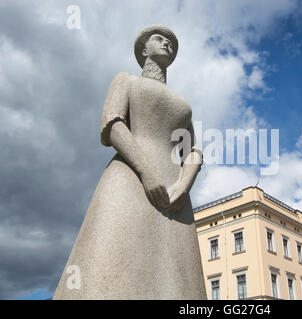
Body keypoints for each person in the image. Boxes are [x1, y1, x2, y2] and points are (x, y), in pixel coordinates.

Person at [53, 25, 206, 299]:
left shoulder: (183, 105)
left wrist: (184, 184)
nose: (167, 44)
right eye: (159, 39)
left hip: (175, 194)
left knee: (179, 279)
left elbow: (192, 150)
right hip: (129, 176)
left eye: (171, 42)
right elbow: (113, 125)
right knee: (109, 259)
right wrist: (146, 172)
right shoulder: (126, 81)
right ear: (144, 50)